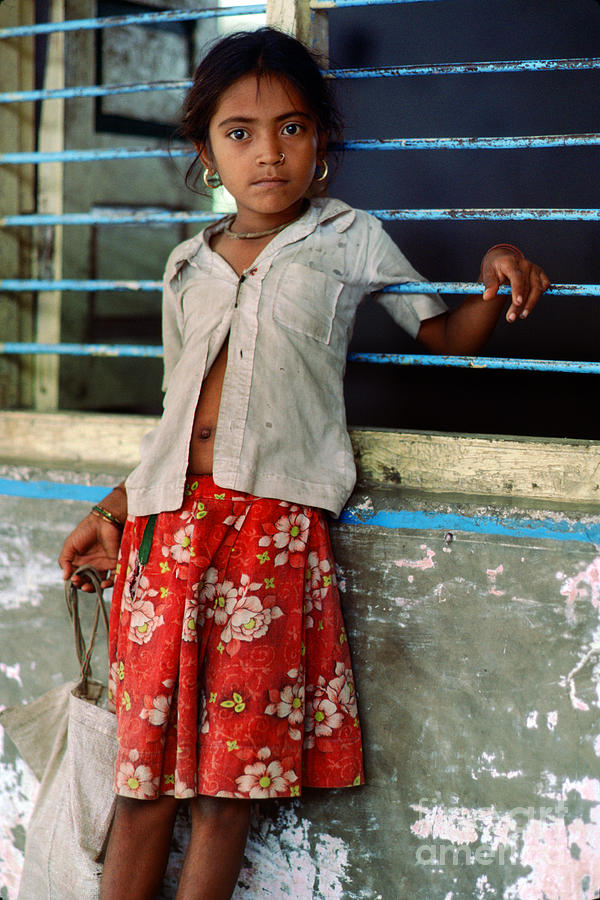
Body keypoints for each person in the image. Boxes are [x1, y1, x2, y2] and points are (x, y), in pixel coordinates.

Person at [58, 26, 550, 900]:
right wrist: (110, 511)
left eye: (292, 128)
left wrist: (492, 280)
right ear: (205, 150)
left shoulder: (350, 238)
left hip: (270, 537)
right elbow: (175, 419)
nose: (269, 153)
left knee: (224, 793)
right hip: (165, 537)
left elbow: (438, 335)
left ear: (322, 139)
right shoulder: (184, 265)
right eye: (239, 133)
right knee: (141, 788)